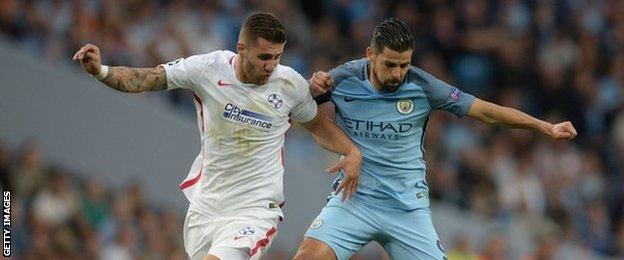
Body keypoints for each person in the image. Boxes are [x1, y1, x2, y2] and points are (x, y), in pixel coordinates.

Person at [72, 12, 362, 260]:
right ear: (241, 48)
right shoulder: (208, 69)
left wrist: (351, 152)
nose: (270, 65)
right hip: (206, 206)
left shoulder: (289, 84)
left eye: (277, 57)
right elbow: (147, 78)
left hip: (254, 209)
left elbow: (318, 126)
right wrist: (102, 71)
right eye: (263, 57)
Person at [294, 18, 577, 260]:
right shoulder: (342, 79)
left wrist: (545, 127)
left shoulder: (424, 86)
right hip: (353, 200)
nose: (397, 74)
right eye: (390, 64)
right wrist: (311, 86)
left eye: (404, 65)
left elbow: (487, 112)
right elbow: (300, 106)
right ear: (370, 54)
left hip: (407, 207)